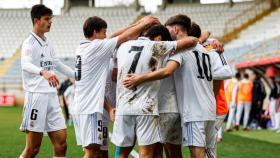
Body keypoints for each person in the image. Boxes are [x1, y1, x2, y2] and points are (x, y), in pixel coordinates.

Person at [123, 14, 233, 158]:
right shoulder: (205, 50)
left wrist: (139, 79)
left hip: (191, 111)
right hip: (209, 110)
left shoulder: (179, 50)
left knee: (189, 154)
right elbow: (220, 74)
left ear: (175, 29)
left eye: (167, 29)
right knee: (208, 153)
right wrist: (210, 40)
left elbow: (168, 71)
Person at [73, 15, 160, 158]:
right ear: (95, 33)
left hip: (84, 106)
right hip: (89, 109)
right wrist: (145, 23)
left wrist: (138, 23)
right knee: (92, 152)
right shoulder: (95, 47)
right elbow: (122, 37)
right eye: (103, 32)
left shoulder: (83, 47)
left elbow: (114, 36)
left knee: (99, 152)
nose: (106, 36)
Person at [112, 24, 198, 158]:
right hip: (146, 108)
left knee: (122, 153)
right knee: (146, 154)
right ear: (158, 38)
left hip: (123, 106)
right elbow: (192, 41)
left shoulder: (123, 46)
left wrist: (140, 24)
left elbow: (110, 43)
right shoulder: (156, 46)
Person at [19, 4, 75, 158]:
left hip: (52, 97)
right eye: (47, 19)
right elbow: (25, 64)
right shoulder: (29, 43)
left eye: (51, 19)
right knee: (32, 149)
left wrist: (78, 76)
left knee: (61, 145)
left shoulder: (48, 42)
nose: (50, 22)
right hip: (36, 97)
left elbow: (57, 64)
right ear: (36, 21)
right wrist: (43, 72)